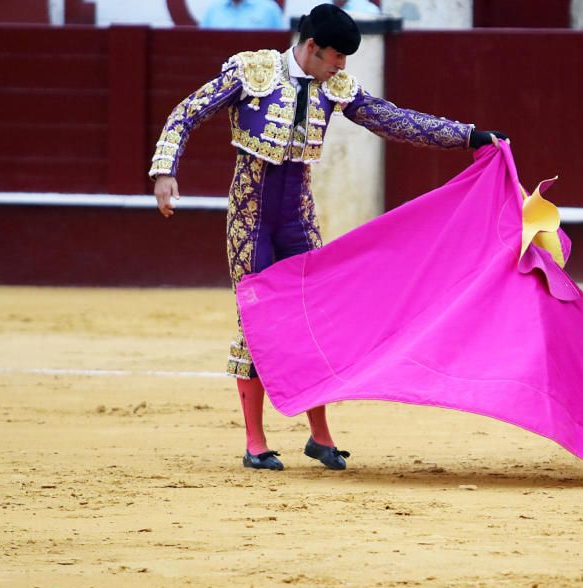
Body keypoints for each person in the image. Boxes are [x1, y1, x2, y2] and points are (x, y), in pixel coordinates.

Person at [150, 4, 507, 472]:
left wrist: (469, 137)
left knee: (312, 320)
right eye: (336, 57)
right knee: (256, 323)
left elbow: (391, 119)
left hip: (298, 217)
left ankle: (319, 436)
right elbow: (186, 113)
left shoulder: (334, 86)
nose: (342, 67)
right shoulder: (252, 70)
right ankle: (255, 440)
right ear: (312, 47)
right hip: (250, 217)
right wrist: (164, 171)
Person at [200, 0, 285, 30]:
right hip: (218, 68)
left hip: (258, 68)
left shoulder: (269, 9)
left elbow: (284, 46)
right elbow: (200, 45)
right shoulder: (213, 10)